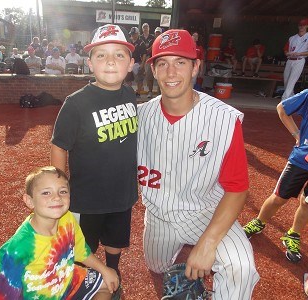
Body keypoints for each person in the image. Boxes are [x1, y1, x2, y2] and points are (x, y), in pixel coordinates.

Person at [138, 29, 259, 299]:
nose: (171, 73)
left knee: (240, 266)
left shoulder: (223, 120)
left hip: (205, 212)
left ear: (196, 67)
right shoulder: (140, 116)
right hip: (158, 214)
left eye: (180, 62)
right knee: (157, 267)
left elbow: (237, 188)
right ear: (154, 71)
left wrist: (208, 242)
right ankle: (181, 262)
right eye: (163, 63)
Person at [50, 24, 138, 290]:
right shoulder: (76, 103)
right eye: (101, 55)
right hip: (86, 197)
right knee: (80, 246)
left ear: (131, 64)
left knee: (115, 240)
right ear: (89, 63)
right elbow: (59, 146)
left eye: (119, 55)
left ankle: (113, 275)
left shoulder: (130, 95)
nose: (110, 61)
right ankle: (78, 283)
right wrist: (60, 188)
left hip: (121, 193)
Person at [0, 166, 119, 299]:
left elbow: (80, 250)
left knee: (109, 282)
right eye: (46, 193)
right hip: (40, 296)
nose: (57, 197)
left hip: (67, 281)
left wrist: (104, 269)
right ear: (29, 201)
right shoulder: (18, 248)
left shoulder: (68, 218)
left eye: (63, 191)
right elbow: (6, 295)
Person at [243, 89, 308, 263]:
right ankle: (259, 222)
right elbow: (282, 108)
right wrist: (296, 134)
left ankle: (293, 234)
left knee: (307, 202)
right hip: (301, 160)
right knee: (279, 197)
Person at [281, 18, 308, 100]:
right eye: (300, 25)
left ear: (307, 26)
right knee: (286, 80)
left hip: (299, 60)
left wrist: (299, 53)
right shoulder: (292, 38)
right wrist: (287, 53)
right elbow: (285, 49)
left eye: (303, 25)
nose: (301, 27)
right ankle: (292, 98)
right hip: (290, 60)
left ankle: (284, 100)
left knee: (292, 81)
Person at [125, 26, 146, 97]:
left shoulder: (141, 43)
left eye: (134, 34)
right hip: (129, 62)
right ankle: (129, 92)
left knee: (138, 79)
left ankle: (138, 93)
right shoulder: (129, 42)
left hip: (137, 62)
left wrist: (142, 64)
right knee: (128, 78)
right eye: (132, 34)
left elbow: (144, 54)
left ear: (137, 34)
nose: (132, 35)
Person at [140, 23, 156, 98]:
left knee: (149, 75)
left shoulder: (152, 37)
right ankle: (140, 90)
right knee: (139, 75)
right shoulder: (140, 37)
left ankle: (150, 91)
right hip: (140, 58)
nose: (145, 29)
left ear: (149, 28)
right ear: (142, 29)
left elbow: (153, 46)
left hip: (149, 57)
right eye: (144, 28)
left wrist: (146, 51)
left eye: (146, 27)